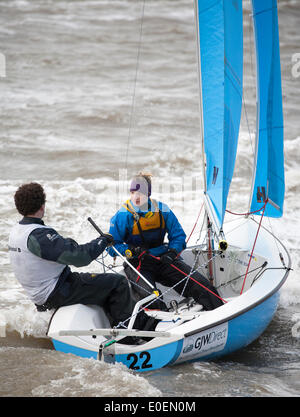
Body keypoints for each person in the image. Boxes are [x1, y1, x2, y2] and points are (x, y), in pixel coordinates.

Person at [8, 182, 157, 333]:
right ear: (42, 206)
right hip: (58, 291)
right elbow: (80, 258)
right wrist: (103, 241)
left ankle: (116, 321)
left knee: (100, 284)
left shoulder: (16, 231)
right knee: (118, 283)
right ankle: (133, 332)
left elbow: (57, 251)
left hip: (39, 296)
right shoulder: (39, 235)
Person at [108, 172, 224, 311]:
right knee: (151, 298)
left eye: (140, 192)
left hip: (164, 259)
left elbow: (178, 236)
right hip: (137, 264)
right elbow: (111, 246)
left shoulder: (162, 209)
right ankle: (163, 327)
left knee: (200, 284)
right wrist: (130, 251)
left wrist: (172, 252)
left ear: (148, 193)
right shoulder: (122, 215)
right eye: (132, 192)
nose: (136, 197)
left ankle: (220, 313)